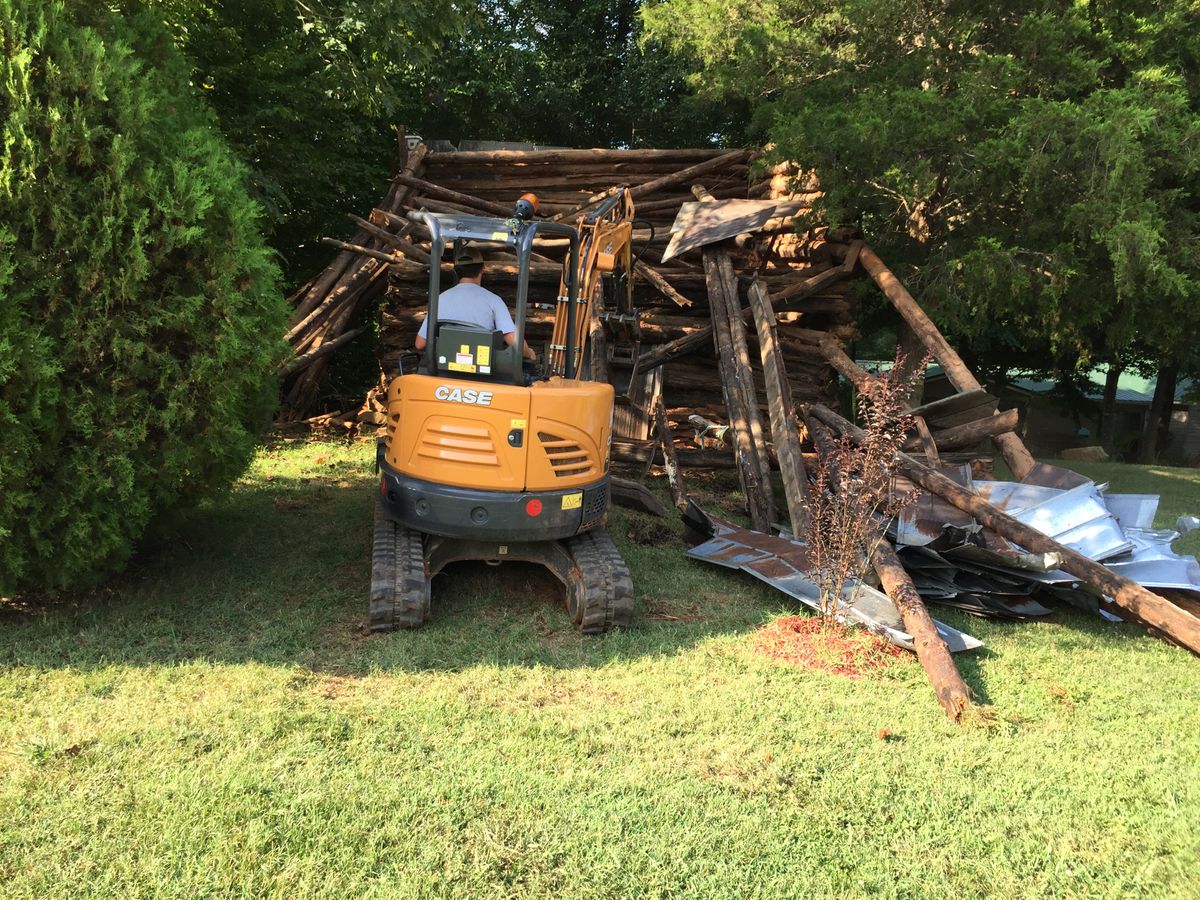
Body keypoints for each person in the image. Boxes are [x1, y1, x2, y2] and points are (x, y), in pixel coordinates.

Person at [414, 244, 536, 360]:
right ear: (482, 269)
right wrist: (529, 353)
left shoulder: (439, 300)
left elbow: (420, 344)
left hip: (442, 372)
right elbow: (513, 341)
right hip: (481, 376)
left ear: (456, 271)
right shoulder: (494, 300)